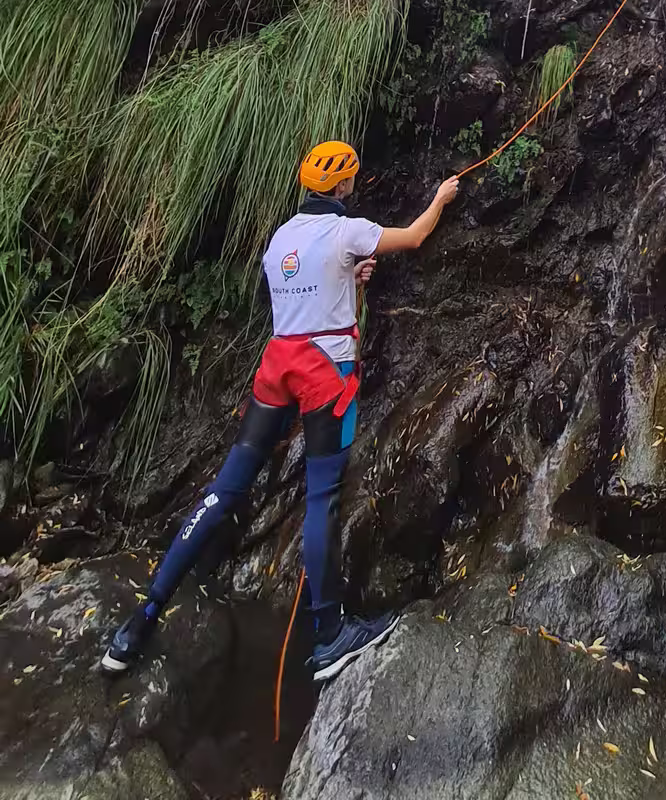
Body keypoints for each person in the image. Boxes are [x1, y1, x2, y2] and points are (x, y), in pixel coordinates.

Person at [101, 141, 460, 684]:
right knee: (322, 499)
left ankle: (139, 621)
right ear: (342, 186)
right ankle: (329, 636)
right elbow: (413, 237)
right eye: (350, 180)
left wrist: (352, 283)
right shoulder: (348, 231)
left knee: (224, 492)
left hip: (279, 364)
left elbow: (308, 300)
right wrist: (440, 197)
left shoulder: (280, 240)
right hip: (324, 373)